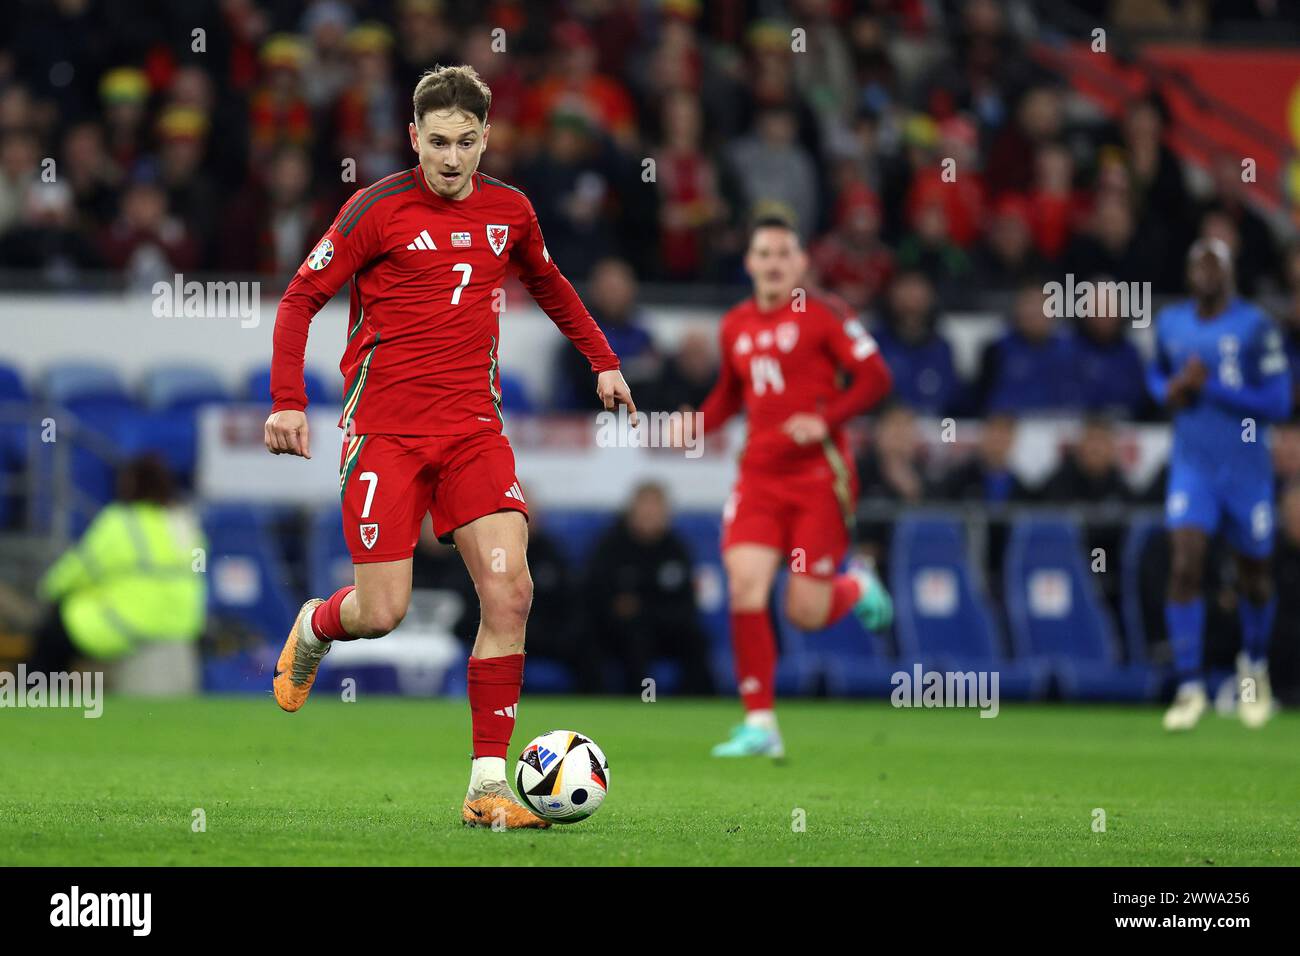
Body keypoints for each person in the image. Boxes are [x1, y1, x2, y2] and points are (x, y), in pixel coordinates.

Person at [262, 65, 637, 829]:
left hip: (473, 436)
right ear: (413, 138)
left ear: (486, 138)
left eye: (467, 141)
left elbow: (552, 282)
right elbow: (302, 296)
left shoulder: (511, 211)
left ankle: (486, 787)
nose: (453, 156)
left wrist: (603, 360)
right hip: (387, 439)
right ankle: (318, 625)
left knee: (512, 593)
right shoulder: (377, 208)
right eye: (438, 141)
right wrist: (288, 403)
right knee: (383, 611)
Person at [677, 216, 893, 759]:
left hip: (819, 479)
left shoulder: (826, 314)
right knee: (745, 584)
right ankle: (760, 723)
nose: (772, 263)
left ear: (800, 264)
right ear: (749, 263)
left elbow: (876, 379)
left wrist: (827, 419)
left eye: (783, 254)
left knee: (805, 611)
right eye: (763, 254)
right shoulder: (735, 325)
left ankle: (857, 587)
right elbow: (730, 395)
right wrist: (697, 424)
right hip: (759, 478)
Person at [1146, 238, 1291, 731]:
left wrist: (1209, 388)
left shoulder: (1255, 326)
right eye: (1196, 265)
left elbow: (1278, 402)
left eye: (1214, 264)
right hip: (1194, 467)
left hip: (1247, 470)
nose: (1204, 273)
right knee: (1185, 563)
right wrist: (1170, 390)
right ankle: (1189, 687)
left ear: (1230, 273)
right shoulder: (1171, 323)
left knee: (1254, 577)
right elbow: (1155, 376)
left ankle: (1253, 669)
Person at [28, 455, 206, 675]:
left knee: (54, 632)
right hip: (183, 623)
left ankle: (35, 695)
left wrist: (47, 590)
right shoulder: (183, 521)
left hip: (129, 622)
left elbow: (79, 568)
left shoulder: (121, 521)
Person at [581, 482, 714, 696]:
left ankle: (695, 703)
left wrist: (649, 610)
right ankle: (640, 700)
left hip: (666, 624)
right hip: (623, 630)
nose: (651, 515)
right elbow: (595, 595)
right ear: (632, 511)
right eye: (645, 509)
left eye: (657, 509)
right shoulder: (611, 545)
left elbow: (687, 599)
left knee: (696, 640)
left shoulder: (676, 547)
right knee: (633, 639)